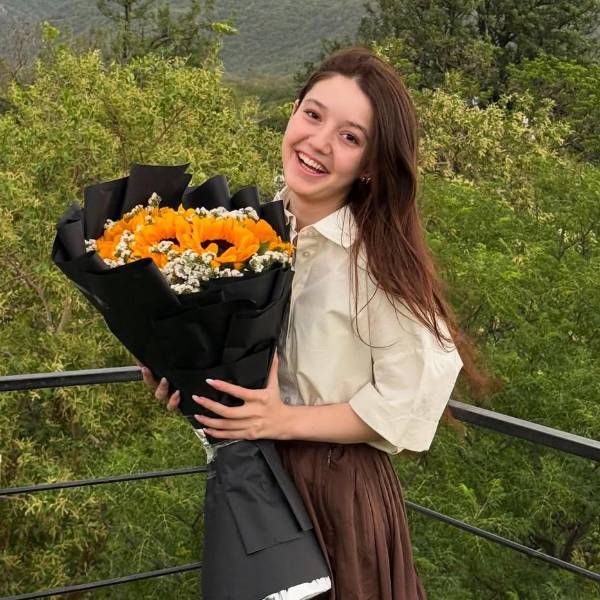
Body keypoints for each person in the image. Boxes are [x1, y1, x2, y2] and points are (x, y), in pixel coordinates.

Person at [142, 47, 487, 599]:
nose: (319, 142)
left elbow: (408, 399)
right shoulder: (251, 234)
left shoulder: (376, 262)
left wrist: (281, 421)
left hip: (337, 492)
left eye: (350, 137)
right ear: (292, 113)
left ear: (370, 164)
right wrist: (188, 377)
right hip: (256, 479)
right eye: (313, 114)